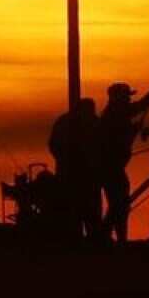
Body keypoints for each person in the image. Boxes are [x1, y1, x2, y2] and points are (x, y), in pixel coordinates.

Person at [99, 79, 149, 242]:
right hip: (112, 167)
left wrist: (137, 130)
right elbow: (143, 104)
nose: (129, 100)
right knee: (119, 204)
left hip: (112, 167)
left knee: (118, 203)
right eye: (126, 97)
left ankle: (113, 236)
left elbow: (124, 132)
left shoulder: (113, 114)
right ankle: (106, 234)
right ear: (118, 98)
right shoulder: (116, 113)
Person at [47, 98, 102, 239]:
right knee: (84, 209)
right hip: (82, 175)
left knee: (83, 209)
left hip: (80, 174)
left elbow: (53, 145)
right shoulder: (92, 122)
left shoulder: (64, 121)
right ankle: (87, 237)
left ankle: (84, 237)